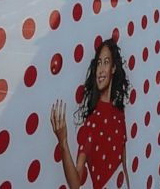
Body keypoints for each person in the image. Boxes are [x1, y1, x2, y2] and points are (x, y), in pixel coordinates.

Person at [51, 38, 131, 188]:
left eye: (106, 62)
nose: (101, 69)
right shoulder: (92, 124)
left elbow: (124, 166)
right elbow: (75, 184)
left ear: (113, 68)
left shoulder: (119, 114)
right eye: (98, 63)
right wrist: (63, 142)